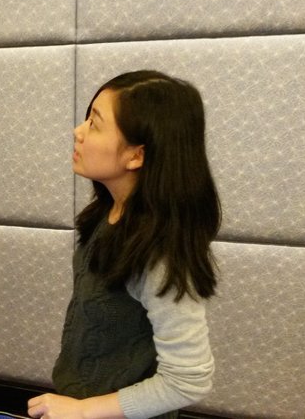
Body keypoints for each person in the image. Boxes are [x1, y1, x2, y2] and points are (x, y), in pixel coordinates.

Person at [28, 70, 220, 419]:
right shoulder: (108, 214)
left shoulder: (159, 255)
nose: (78, 132)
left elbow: (188, 381)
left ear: (136, 155)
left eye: (95, 124)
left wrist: (83, 411)